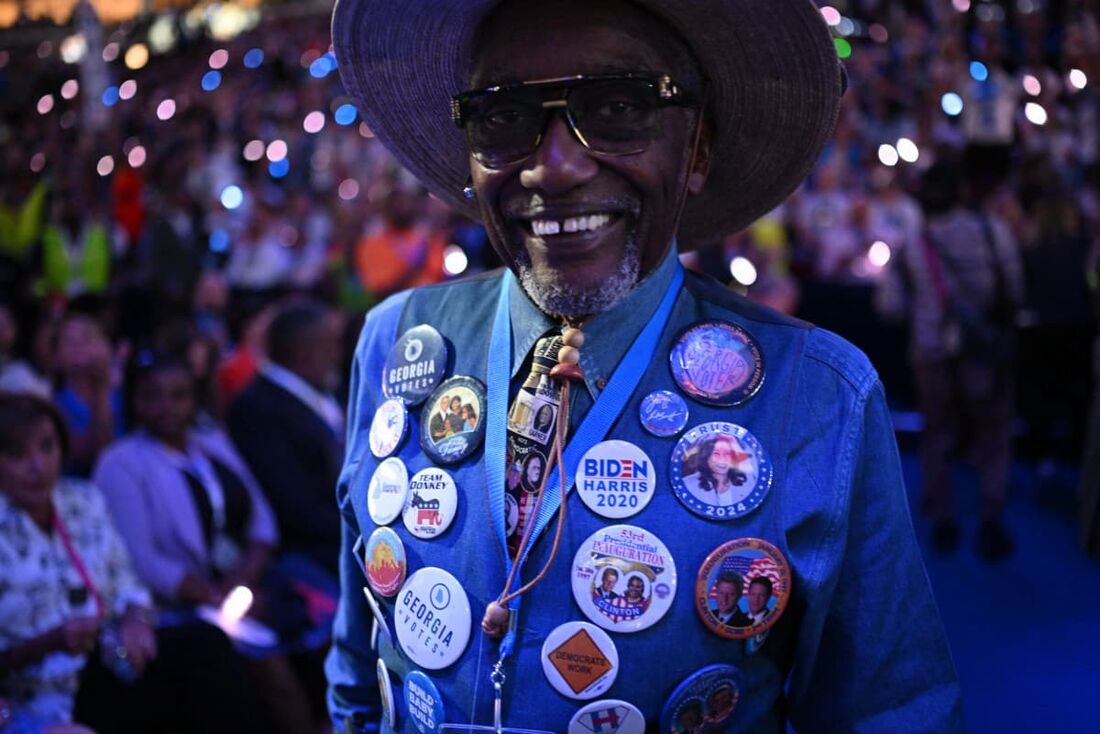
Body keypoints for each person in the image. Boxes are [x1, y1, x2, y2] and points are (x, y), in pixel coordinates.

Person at [327, 0, 962, 731]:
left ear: (696, 149)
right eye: (503, 115)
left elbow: (889, 715)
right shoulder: (397, 343)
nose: (555, 167)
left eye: (620, 105)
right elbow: (358, 676)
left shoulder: (816, 397)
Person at [0, 392, 259, 734]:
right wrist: (53, 640)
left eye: (47, 448)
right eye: (18, 455)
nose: (38, 466)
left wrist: (135, 621)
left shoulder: (83, 501)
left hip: (110, 660)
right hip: (44, 693)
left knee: (207, 645)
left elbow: (128, 586)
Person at [227, 301, 346, 580]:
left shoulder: (322, 393)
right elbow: (292, 507)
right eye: (331, 344)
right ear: (303, 351)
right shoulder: (257, 407)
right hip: (304, 557)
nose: (338, 355)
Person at [681, 435, 750, 506]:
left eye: (727, 454)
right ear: (706, 457)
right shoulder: (688, 484)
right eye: (716, 453)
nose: (722, 459)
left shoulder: (745, 483)